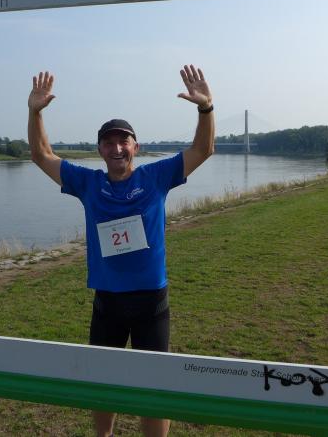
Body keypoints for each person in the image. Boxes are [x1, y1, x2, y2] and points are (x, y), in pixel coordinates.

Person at [27, 65, 214, 437]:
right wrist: (35, 113)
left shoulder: (155, 177)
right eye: (109, 143)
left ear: (135, 147)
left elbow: (202, 149)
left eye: (123, 141)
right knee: (102, 384)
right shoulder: (88, 183)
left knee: (155, 389)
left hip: (151, 303)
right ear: (100, 150)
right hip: (108, 302)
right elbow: (41, 154)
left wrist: (205, 108)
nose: (117, 148)